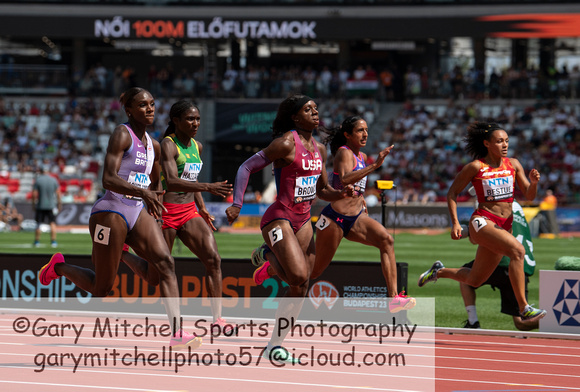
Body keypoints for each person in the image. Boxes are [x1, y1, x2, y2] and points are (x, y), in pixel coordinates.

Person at [38, 87, 201, 350]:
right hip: (110, 212)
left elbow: (156, 181)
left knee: (163, 267)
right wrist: (142, 191)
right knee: (101, 288)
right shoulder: (121, 134)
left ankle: (177, 333)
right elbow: (108, 179)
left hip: (138, 211)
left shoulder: (155, 146)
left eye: (152, 104)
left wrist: (156, 204)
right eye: (143, 105)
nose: (150, 109)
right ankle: (58, 267)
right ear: (129, 110)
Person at [225, 94, 353, 364]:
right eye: (308, 110)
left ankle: (275, 345)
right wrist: (237, 203)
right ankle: (268, 252)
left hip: (304, 220)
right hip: (279, 216)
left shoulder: (320, 148)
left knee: (303, 285)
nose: (315, 113)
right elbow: (246, 166)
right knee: (296, 276)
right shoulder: (285, 143)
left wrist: (341, 193)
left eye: (316, 108)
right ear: (295, 117)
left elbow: (322, 190)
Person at [418, 122, 546, 323]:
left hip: (504, 225)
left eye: (506, 141)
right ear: (487, 143)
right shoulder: (476, 167)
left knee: (475, 279)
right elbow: (452, 193)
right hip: (482, 221)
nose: (504, 145)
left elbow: (529, 196)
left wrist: (535, 183)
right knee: (518, 251)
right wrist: (455, 223)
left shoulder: (514, 164)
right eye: (499, 141)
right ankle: (524, 307)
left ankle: (438, 272)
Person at [310, 115, 415, 313]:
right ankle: (271, 267)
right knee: (314, 271)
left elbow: (356, 185)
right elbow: (344, 179)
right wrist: (375, 166)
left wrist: (361, 198)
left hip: (356, 217)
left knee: (387, 241)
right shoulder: (344, 152)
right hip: (334, 218)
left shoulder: (362, 157)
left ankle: (393, 298)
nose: (365, 134)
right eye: (360, 130)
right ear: (348, 135)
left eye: (366, 130)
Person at [159, 99, 232, 326]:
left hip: (189, 210)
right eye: (190, 119)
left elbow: (192, 178)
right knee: (158, 272)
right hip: (167, 212)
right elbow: (171, 182)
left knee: (213, 259)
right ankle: (123, 253)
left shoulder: (197, 146)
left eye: (198, 119)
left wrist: (202, 206)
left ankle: (217, 319)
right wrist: (208, 188)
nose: (195, 123)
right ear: (176, 121)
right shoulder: (168, 145)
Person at [458, 200, 539, 330]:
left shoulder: (487, 203)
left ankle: (473, 322)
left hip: (503, 259)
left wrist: (468, 231)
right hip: (521, 265)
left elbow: (476, 238)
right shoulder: (515, 205)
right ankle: (554, 321)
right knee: (521, 323)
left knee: (465, 277)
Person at [32, 166, 62, 247]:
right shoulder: (53, 180)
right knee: (52, 223)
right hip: (51, 206)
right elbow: (58, 193)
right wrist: (59, 204)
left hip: (40, 205)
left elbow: (34, 194)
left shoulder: (38, 180)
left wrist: (33, 204)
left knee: (39, 224)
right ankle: (53, 241)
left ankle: (37, 241)